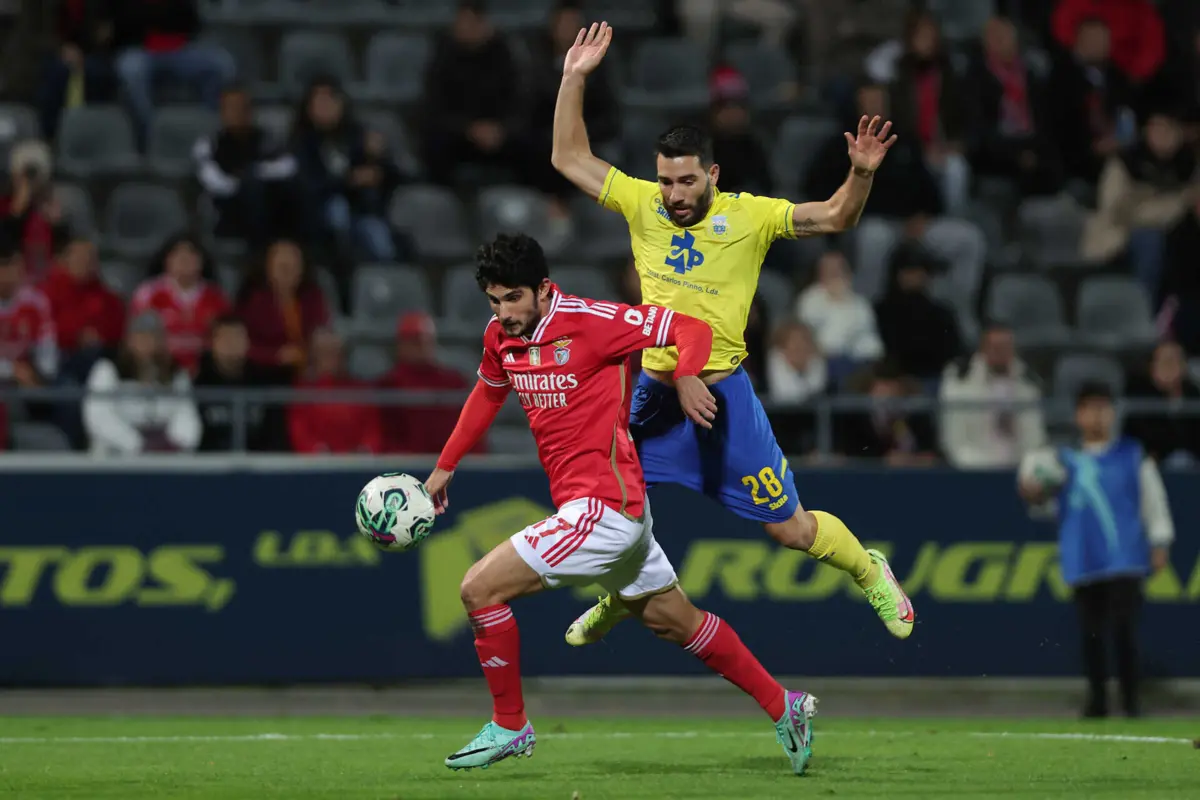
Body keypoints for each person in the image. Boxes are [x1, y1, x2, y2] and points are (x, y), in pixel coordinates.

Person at [550, 22, 914, 644]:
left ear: (712, 174)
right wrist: (573, 77)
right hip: (659, 394)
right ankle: (623, 595)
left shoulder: (751, 216)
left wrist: (861, 174)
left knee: (790, 530)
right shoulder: (643, 205)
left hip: (723, 399)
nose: (673, 195)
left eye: (686, 181)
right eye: (666, 181)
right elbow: (567, 157)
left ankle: (867, 567)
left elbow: (835, 216)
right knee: (608, 506)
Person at [425, 233, 818, 774]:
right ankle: (785, 705)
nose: (504, 313)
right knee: (677, 621)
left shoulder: (592, 322)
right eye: (494, 301)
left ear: (542, 289)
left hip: (602, 509)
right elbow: (489, 393)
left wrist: (684, 375)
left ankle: (511, 726)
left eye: (513, 298)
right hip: (615, 512)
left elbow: (690, 328)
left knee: (478, 589)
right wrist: (446, 466)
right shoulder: (501, 337)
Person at [1017, 382, 1174, 718]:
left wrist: (1159, 541)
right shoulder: (1062, 463)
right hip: (1083, 557)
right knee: (1091, 635)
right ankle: (1097, 700)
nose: (1097, 416)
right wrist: (1034, 495)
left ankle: (1131, 701)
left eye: (1103, 408)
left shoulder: (1132, 454)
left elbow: (1153, 501)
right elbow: (1045, 506)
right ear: (1078, 415)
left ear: (1113, 413)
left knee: (1124, 630)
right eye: (1090, 408)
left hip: (1125, 557)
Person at [82, 310, 201, 456]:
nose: (146, 344)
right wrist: (137, 444)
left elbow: (186, 414)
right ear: (129, 340)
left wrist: (177, 444)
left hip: (166, 456)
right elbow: (98, 417)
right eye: (140, 337)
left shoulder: (175, 373)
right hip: (117, 455)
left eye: (152, 337)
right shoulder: (108, 369)